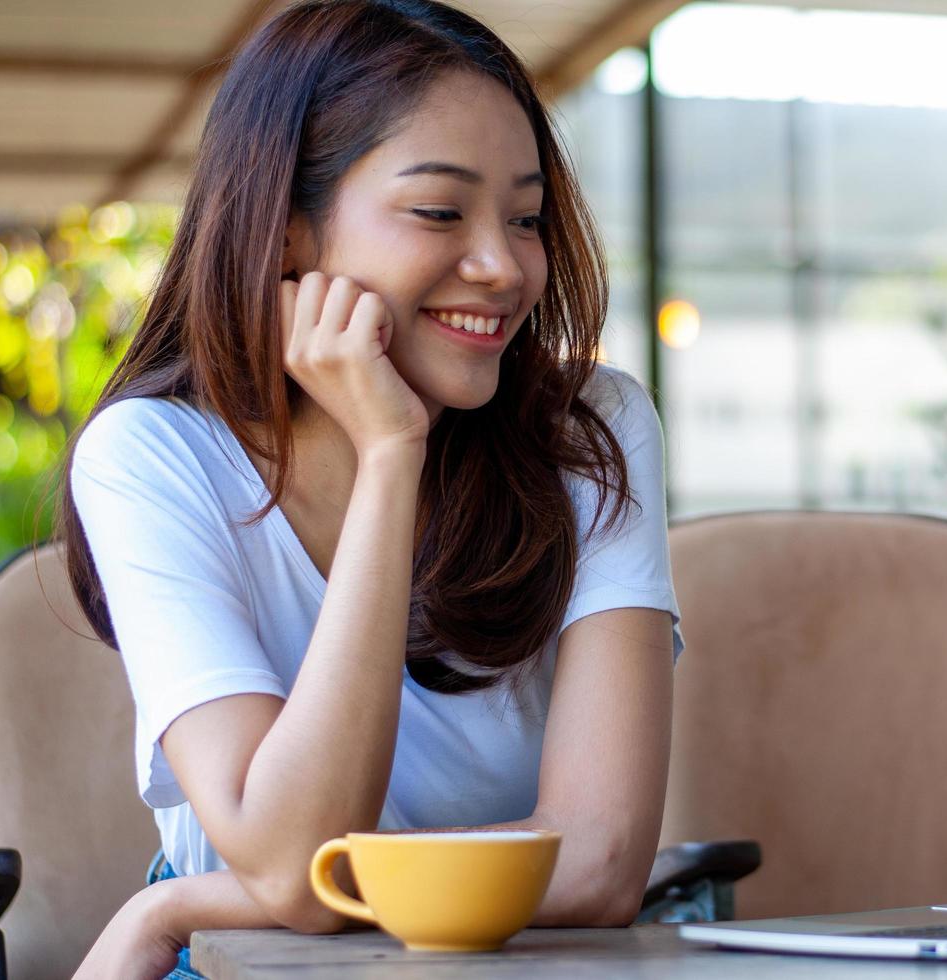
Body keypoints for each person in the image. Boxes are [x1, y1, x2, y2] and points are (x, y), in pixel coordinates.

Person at [57, 1, 682, 976]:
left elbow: (601, 863)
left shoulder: (589, 428)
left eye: (525, 218)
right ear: (289, 231)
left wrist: (177, 899)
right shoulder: (149, 455)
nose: (501, 266)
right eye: (440, 211)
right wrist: (392, 452)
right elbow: (295, 863)